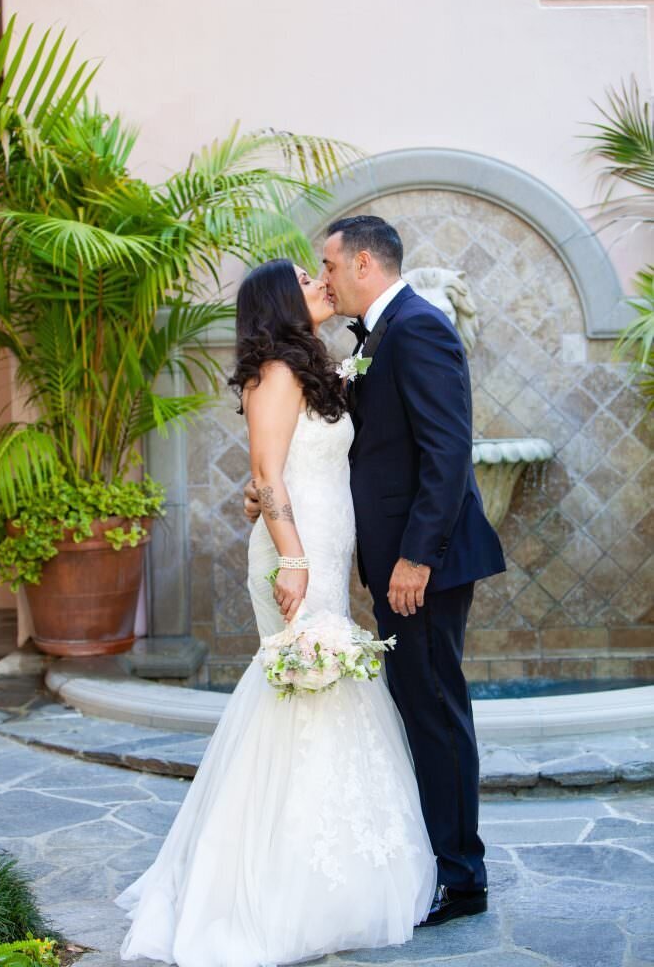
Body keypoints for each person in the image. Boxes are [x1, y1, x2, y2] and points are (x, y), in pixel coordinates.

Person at [116, 258, 436, 967]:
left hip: (316, 536)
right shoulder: (274, 370)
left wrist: (271, 509)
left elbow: (274, 473)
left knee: (323, 689)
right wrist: (291, 555)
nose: (320, 282)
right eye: (305, 278)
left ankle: (334, 868)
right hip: (300, 553)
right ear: (277, 303)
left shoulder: (305, 365)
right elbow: (265, 471)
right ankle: (275, 882)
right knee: (299, 685)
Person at [245, 217, 506, 925]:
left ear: (362, 262)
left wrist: (416, 556)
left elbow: (447, 453)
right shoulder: (374, 339)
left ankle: (461, 875)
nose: (322, 278)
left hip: (421, 564)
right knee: (417, 704)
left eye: (326, 265)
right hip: (377, 560)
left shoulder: (416, 328)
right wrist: (271, 485)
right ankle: (438, 858)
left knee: (433, 710)